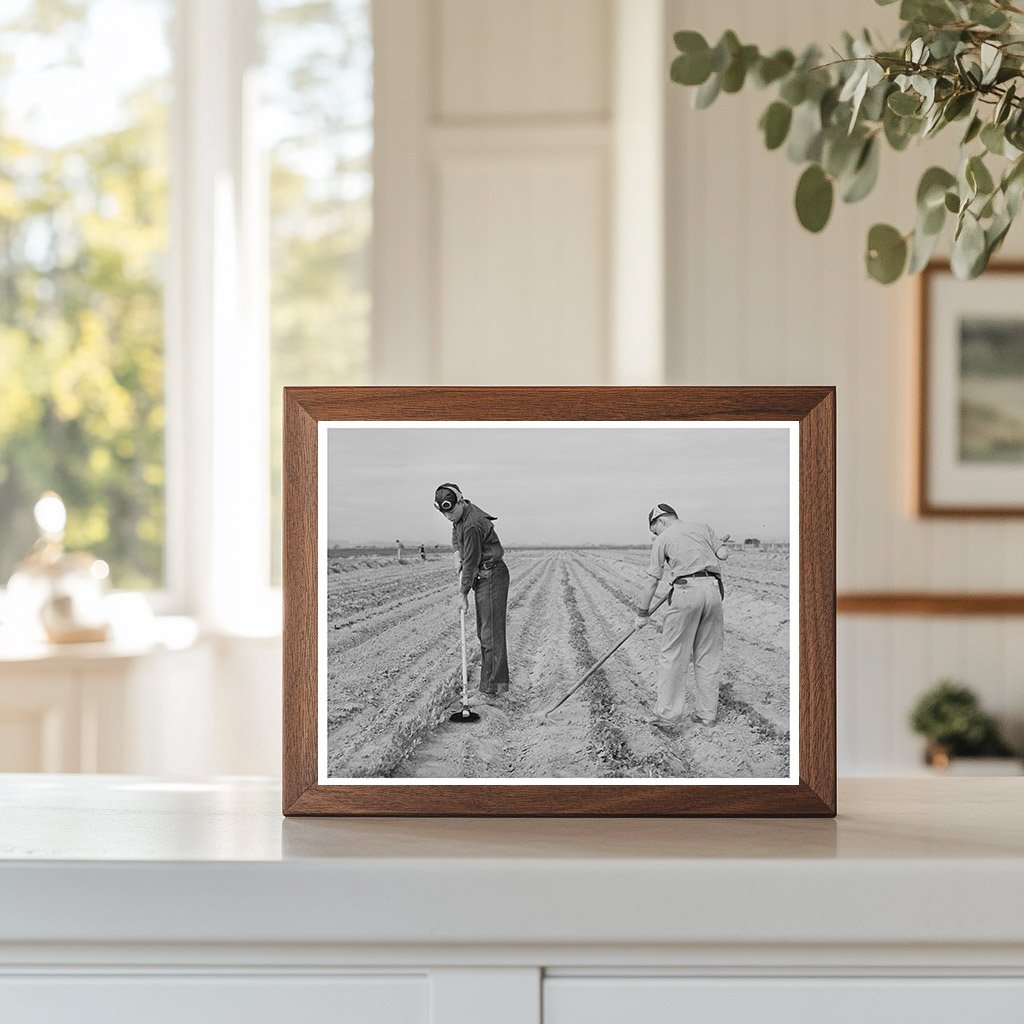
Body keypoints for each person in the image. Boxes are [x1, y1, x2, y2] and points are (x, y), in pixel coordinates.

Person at [634, 503, 730, 729]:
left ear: (661, 521)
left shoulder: (663, 538)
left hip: (686, 591)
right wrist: (715, 547)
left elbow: (652, 581)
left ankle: (667, 715)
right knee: (708, 655)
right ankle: (707, 715)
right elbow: (723, 554)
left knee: (673, 655)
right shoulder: (702, 527)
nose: (655, 535)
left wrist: (642, 613)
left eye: (654, 530)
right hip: (713, 591)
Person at [433, 482, 510, 699]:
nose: (448, 517)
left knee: (491, 634)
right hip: (484, 577)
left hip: (492, 575)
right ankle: (489, 686)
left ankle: (492, 690)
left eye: (451, 511)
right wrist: (456, 552)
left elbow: (472, 562)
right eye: (444, 513)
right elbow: (457, 536)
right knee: (485, 633)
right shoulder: (461, 517)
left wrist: (462, 594)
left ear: (460, 501)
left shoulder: (472, 524)